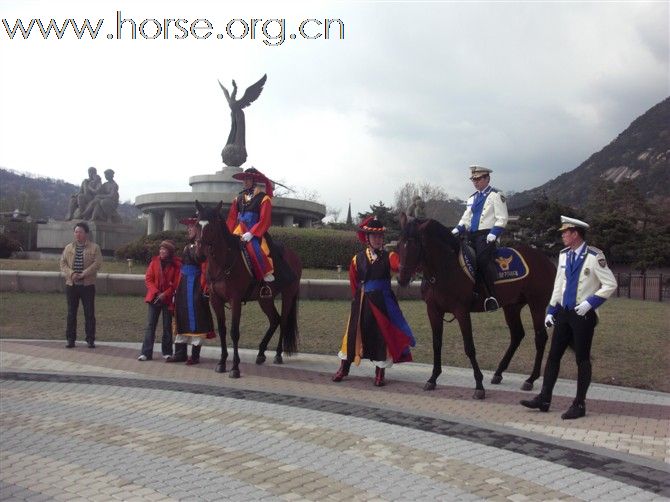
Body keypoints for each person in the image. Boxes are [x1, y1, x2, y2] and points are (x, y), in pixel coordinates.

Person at [521, 216, 617, 419]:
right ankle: (544, 398)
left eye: (566, 232)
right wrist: (550, 310)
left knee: (582, 358)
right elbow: (559, 285)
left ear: (576, 234)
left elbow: (610, 284)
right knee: (553, 355)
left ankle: (579, 405)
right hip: (564, 312)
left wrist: (590, 303)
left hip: (583, 315)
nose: (563, 235)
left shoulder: (594, 256)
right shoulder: (564, 255)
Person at [332, 217, 416, 386]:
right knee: (353, 334)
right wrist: (357, 298)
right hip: (362, 300)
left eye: (379, 237)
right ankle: (344, 367)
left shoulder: (390, 256)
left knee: (382, 335)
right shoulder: (357, 259)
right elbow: (354, 282)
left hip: (383, 302)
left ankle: (380, 371)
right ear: (367, 238)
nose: (377, 240)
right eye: (373, 236)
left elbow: (401, 268)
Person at [452, 165, 509, 312]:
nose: (475, 182)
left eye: (478, 179)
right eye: (473, 179)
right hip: (471, 236)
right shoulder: (471, 198)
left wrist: (494, 233)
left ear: (487, 178)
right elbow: (466, 218)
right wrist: (456, 229)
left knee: (482, 261)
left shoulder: (496, 195)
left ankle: (492, 296)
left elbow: (502, 218)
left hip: (487, 236)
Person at [166, 216, 215, 364]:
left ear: (198, 229)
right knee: (181, 315)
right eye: (187, 227)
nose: (188, 229)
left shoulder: (201, 247)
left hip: (196, 284)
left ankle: (194, 355)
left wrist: (204, 287)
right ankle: (180, 353)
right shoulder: (188, 246)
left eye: (191, 227)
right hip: (184, 284)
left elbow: (204, 265)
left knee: (196, 317)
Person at [226, 167, 275, 283]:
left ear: (254, 181)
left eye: (248, 179)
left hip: (255, 232)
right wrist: (227, 234)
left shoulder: (264, 198)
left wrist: (252, 233)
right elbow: (232, 219)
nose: (245, 182)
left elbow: (265, 219)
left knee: (256, 249)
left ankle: (264, 275)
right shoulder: (238, 198)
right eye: (244, 179)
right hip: (239, 230)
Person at [59, 222, 103, 348]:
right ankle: (70, 339)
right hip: (71, 284)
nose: (78, 234)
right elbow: (62, 263)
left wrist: (84, 273)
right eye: (76, 232)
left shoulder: (94, 247)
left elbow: (97, 263)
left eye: (80, 232)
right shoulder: (68, 248)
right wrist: (71, 274)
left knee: (89, 313)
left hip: (87, 285)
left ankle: (90, 339)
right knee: (71, 312)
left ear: (86, 234)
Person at [138, 240, 181, 361]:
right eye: (161, 249)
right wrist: (157, 292)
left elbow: (176, 283)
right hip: (154, 298)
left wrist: (165, 294)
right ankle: (146, 352)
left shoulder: (175, 265)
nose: (161, 251)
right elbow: (148, 279)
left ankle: (167, 352)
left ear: (170, 252)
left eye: (164, 249)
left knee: (167, 326)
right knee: (150, 325)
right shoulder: (154, 262)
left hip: (167, 300)